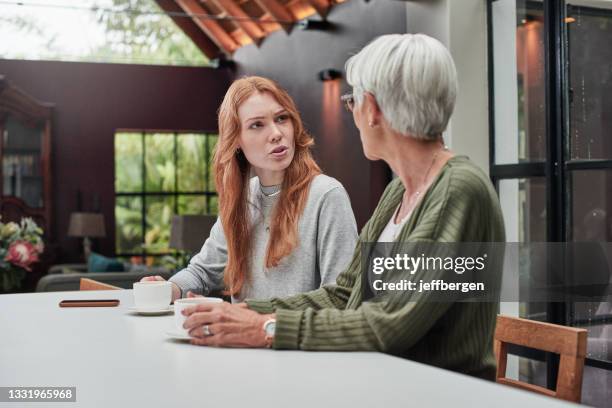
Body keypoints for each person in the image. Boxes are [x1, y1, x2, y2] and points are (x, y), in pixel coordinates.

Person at [180, 34, 506, 379]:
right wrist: (248, 312)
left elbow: (390, 323)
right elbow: (344, 293)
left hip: (434, 393)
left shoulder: (457, 190)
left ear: (374, 109)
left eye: (352, 101)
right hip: (387, 381)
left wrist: (266, 327)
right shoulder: (400, 192)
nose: (351, 112)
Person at [143, 76, 358, 303]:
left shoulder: (326, 195)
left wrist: (258, 322)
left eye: (281, 118)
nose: (276, 133)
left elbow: (340, 297)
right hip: (237, 339)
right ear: (236, 139)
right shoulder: (243, 198)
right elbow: (202, 271)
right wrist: (169, 288)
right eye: (257, 124)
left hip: (291, 337)